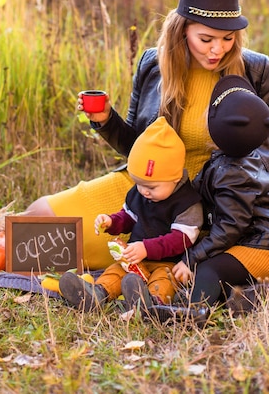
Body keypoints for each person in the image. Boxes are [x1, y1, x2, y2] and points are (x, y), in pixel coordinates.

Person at [25, 0, 269, 270]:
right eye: (206, 38)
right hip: (150, 188)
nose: (218, 49)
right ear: (183, 29)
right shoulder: (152, 64)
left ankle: (168, 254)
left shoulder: (257, 71)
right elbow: (136, 148)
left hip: (214, 201)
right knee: (38, 219)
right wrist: (105, 120)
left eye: (228, 38)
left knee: (64, 249)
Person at [171, 75, 269, 310]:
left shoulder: (233, 174)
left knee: (210, 268)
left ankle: (193, 310)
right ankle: (246, 297)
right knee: (219, 267)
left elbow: (230, 227)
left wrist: (192, 257)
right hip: (265, 244)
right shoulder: (239, 160)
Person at [58, 117, 203, 312]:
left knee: (164, 279)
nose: (144, 191)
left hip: (170, 262)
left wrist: (146, 248)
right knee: (116, 272)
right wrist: (111, 221)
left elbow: (181, 239)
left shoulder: (188, 203)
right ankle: (97, 294)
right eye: (139, 183)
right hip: (135, 260)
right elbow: (128, 217)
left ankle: (151, 302)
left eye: (151, 186)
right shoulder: (139, 193)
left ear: (175, 177)